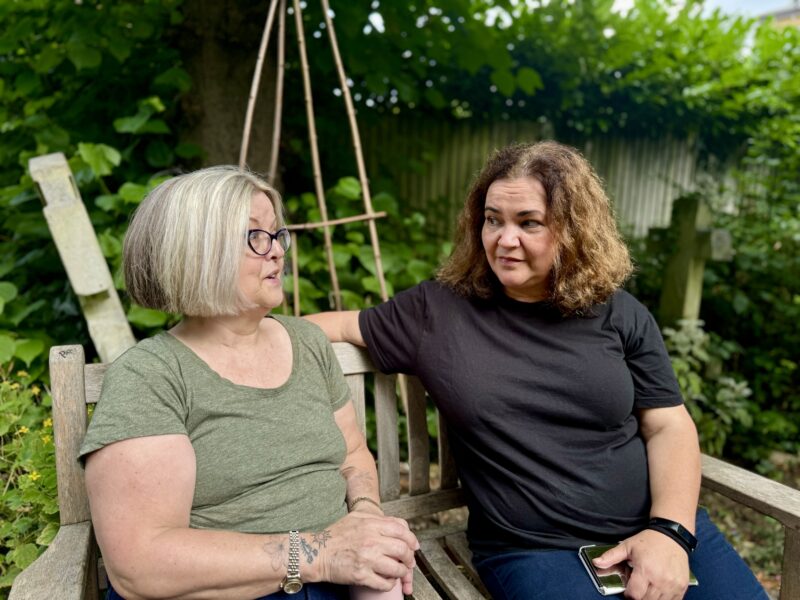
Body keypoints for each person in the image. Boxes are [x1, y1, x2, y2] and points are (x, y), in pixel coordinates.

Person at [306, 141, 769, 600]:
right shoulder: (438, 312)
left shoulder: (619, 314)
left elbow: (668, 424)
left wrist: (669, 532)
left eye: (529, 223)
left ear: (572, 229)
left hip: (655, 528)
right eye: (493, 220)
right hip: (535, 551)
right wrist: (246, 336)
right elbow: (339, 325)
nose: (504, 240)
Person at [79, 166, 415, 600]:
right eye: (254, 236)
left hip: (338, 579)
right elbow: (140, 565)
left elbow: (352, 453)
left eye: (277, 235)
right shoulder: (151, 376)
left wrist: (366, 518)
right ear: (196, 252)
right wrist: (319, 554)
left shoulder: (308, 343)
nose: (276, 252)